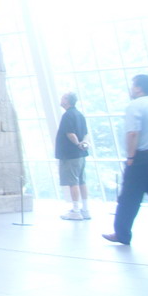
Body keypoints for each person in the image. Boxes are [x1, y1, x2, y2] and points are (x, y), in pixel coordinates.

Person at [102, 74, 148, 247]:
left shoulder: (136, 105)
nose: (131, 90)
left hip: (143, 156)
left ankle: (122, 234)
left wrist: (130, 157)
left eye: (133, 86)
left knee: (129, 197)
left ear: (139, 88)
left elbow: (132, 133)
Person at [56, 92, 90, 220]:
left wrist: (77, 144)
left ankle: (75, 210)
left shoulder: (67, 115)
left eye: (62, 97)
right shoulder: (79, 114)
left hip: (71, 154)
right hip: (81, 155)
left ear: (67, 101)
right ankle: (85, 208)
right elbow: (86, 133)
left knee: (73, 182)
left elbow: (70, 133)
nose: (61, 99)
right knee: (81, 180)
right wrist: (83, 144)